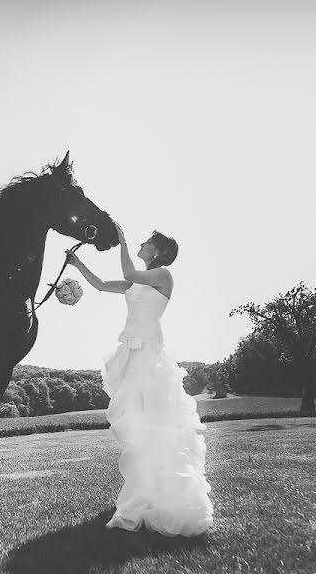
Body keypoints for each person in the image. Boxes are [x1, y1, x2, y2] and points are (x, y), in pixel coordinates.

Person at [65, 223, 213, 536]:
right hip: (132, 356)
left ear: (158, 252)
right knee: (136, 424)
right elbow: (104, 284)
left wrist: (121, 240)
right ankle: (143, 488)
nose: (142, 245)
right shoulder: (138, 280)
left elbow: (131, 274)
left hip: (150, 355)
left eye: (146, 242)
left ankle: (161, 491)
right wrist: (78, 264)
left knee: (156, 422)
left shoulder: (162, 276)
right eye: (141, 241)